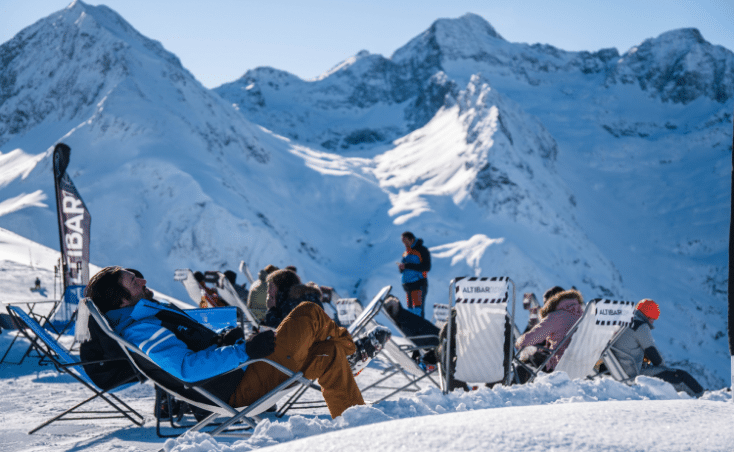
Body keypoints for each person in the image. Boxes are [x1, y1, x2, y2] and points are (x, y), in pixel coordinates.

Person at [84, 266, 390, 419]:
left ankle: (353, 420)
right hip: (237, 388)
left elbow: (191, 350)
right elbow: (186, 369)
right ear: (121, 298)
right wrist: (243, 350)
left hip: (242, 376)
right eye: (132, 280)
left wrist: (226, 341)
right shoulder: (141, 329)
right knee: (308, 312)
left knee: (327, 350)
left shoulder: (143, 318)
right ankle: (354, 349)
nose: (142, 281)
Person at [609, 299, 704, 397]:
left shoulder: (624, 322)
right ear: (648, 314)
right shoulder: (640, 326)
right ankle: (704, 397)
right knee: (681, 376)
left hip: (623, 367)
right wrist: (664, 370)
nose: (653, 321)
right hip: (634, 372)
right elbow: (652, 352)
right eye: (654, 317)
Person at [515, 289, 584, 382]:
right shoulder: (584, 315)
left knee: (523, 365)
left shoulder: (556, 317)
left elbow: (527, 340)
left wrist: (519, 342)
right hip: (585, 365)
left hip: (560, 367)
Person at [397, 231, 431, 318]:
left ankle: (422, 330)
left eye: (405, 240)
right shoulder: (405, 253)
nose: (404, 243)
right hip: (408, 286)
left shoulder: (422, 250)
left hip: (419, 283)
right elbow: (404, 269)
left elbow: (426, 267)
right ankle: (412, 329)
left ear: (412, 240)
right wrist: (401, 268)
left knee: (418, 310)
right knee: (410, 310)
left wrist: (407, 265)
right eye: (402, 241)